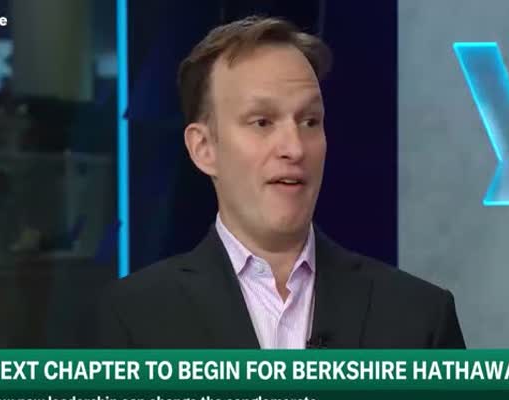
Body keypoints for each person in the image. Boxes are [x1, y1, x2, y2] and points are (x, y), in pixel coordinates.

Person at [98, 16, 465, 349]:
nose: (295, 148)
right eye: (262, 122)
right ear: (204, 148)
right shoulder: (133, 320)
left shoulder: (421, 319)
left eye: (310, 122)